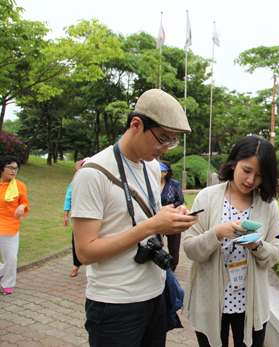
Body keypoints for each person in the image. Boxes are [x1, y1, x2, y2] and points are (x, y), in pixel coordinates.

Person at [71, 89, 198, 347]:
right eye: (162, 139)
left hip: (155, 294)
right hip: (114, 304)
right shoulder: (92, 174)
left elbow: (142, 215)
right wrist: (150, 226)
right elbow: (84, 252)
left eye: (171, 141)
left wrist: (167, 216)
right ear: (136, 124)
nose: (164, 149)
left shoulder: (151, 165)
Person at [182, 135, 279, 347]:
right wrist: (216, 233)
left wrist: (258, 246)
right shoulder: (207, 197)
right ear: (234, 162)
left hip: (250, 303)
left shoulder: (268, 205)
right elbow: (190, 249)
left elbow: (275, 254)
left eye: (259, 175)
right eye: (246, 171)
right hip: (211, 301)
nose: (250, 180)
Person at [0, 155, 29, 295]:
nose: (13, 171)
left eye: (16, 168)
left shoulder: (19, 186)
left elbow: (24, 202)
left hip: (10, 226)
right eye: (10, 167)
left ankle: (7, 283)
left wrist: (22, 207)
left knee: (11, 258)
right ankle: (2, 273)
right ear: (2, 168)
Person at [63, 158, 90, 277]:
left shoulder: (98, 179)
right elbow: (69, 196)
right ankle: (76, 265)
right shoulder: (75, 180)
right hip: (78, 217)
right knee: (76, 241)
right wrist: (65, 215)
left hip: (96, 218)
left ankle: (94, 266)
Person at [159, 159, 185, 273]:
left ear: (165, 172)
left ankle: (172, 269)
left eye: (160, 170)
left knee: (174, 246)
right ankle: (159, 266)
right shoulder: (150, 183)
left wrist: (167, 207)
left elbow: (180, 200)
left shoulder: (174, 184)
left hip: (172, 217)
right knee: (157, 244)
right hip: (157, 218)